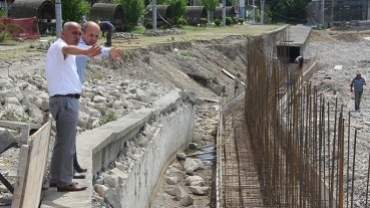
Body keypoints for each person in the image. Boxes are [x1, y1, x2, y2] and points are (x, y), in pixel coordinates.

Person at [45, 21, 101, 192]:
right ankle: (65, 181)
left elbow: (71, 51)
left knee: (61, 142)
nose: (77, 36)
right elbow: (68, 50)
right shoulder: (60, 46)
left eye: (79, 34)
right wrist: (86, 51)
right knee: (67, 143)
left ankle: (56, 178)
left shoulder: (62, 48)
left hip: (62, 100)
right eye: (73, 33)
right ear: (63, 33)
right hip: (66, 101)